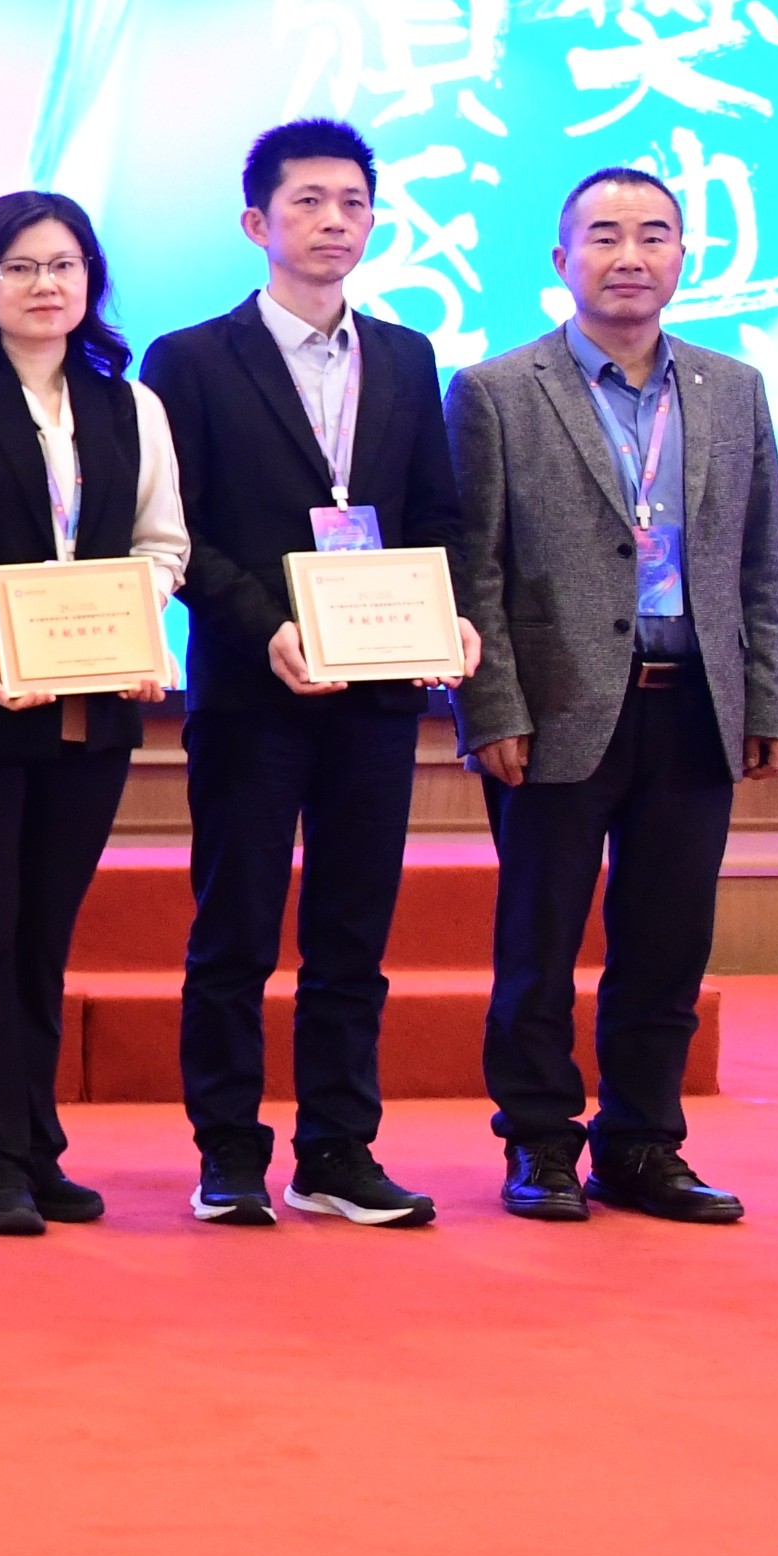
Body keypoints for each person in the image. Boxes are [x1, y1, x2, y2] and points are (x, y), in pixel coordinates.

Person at [451, 161, 778, 1226]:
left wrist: (770, 701)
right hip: (556, 707)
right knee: (540, 943)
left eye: (653, 234)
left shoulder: (732, 387)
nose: (630, 256)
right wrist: (491, 707)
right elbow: (473, 568)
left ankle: (643, 1144)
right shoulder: (497, 390)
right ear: (561, 260)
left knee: (667, 944)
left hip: (695, 703)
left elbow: (763, 556)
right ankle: (539, 1143)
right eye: (604, 236)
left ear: (686, 256)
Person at [142, 117, 476, 1230]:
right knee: (234, 928)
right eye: (308, 202)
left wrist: (452, 617)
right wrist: (270, 629)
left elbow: (434, 512)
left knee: (352, 931)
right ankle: (228, 1153)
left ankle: (338, 1149)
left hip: (378, 691)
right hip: (254, 689)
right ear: (257, 222)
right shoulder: (190, 359)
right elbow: (177, 530)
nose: (335, 222)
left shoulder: (408, 355)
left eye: (353, 203)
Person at [0, 188, 191, 1237]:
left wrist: (137, 631)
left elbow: (163, 546)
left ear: (90, 279)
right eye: (19, 267)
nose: (45, 285)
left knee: (43, 937)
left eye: (63, 265)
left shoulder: (131, 405)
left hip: (92, 714)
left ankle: (34, 1145)